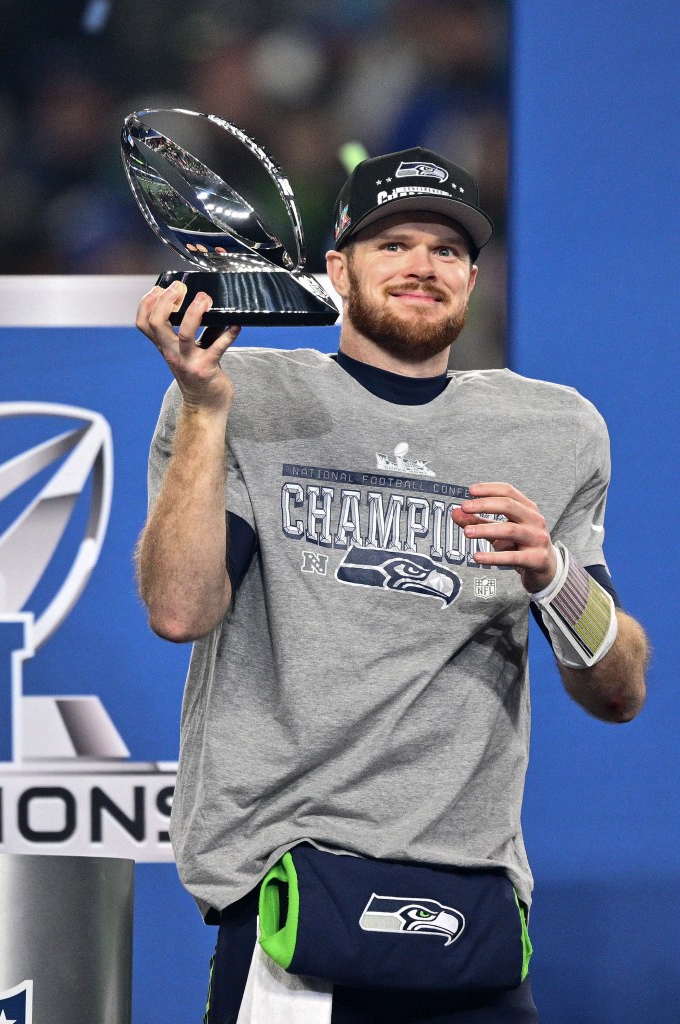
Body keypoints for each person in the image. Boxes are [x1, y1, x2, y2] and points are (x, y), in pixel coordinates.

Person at [135, 146, 649, 1024]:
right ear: (336, 270)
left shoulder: (553, 428)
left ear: (474, 279)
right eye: (393, 244)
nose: (421, 266)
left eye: (446, 250)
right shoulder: (244, 395)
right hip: (291, 891)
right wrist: (204, 408)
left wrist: (554, 577)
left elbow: (620, 689)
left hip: (470, 902)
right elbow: (180, 610)